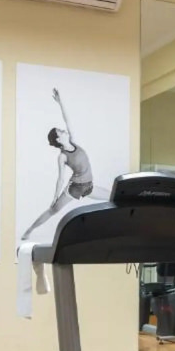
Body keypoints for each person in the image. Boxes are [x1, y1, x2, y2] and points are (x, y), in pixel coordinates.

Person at [21, 88, 110, 240]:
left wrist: (60, 102)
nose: (64, 130)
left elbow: (67, 119)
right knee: (52, 211)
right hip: (75, 188)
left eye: (62, 129)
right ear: (58, 139)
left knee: (113, 196)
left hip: (88, 187)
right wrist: (55, 197)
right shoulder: (62, 156)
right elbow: (60, 178)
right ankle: (28, 231)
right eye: (60, 131)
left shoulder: (73, 141)